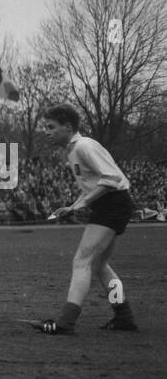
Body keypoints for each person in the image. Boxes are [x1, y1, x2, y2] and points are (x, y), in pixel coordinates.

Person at [32, 104, 138, 334]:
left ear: (67, 127)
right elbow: (96, 183)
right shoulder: (74, 150)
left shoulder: (83, 146)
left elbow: (111, 178)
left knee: (82, 261)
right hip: (112, 204)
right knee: (99, 265)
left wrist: (82, 204)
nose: (47, 132)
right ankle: (124, 316)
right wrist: (72, 206)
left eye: (51, 127)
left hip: (113, 204)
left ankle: (65, 322)